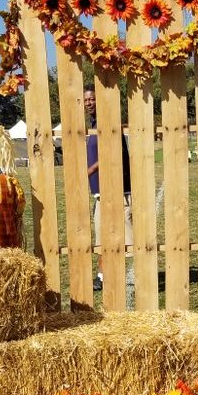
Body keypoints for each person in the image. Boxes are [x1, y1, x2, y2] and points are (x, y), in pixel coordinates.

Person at [84, 87, 133, 291]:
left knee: (127, 237)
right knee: (102, 234)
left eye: (92, 99)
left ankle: (138, 275)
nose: (89, 103)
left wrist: (90, 170)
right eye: (86, 100)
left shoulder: (108, 122)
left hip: (119, 190)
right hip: (101, 193)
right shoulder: (94, 125)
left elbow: (113, 154)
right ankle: (103, 276)